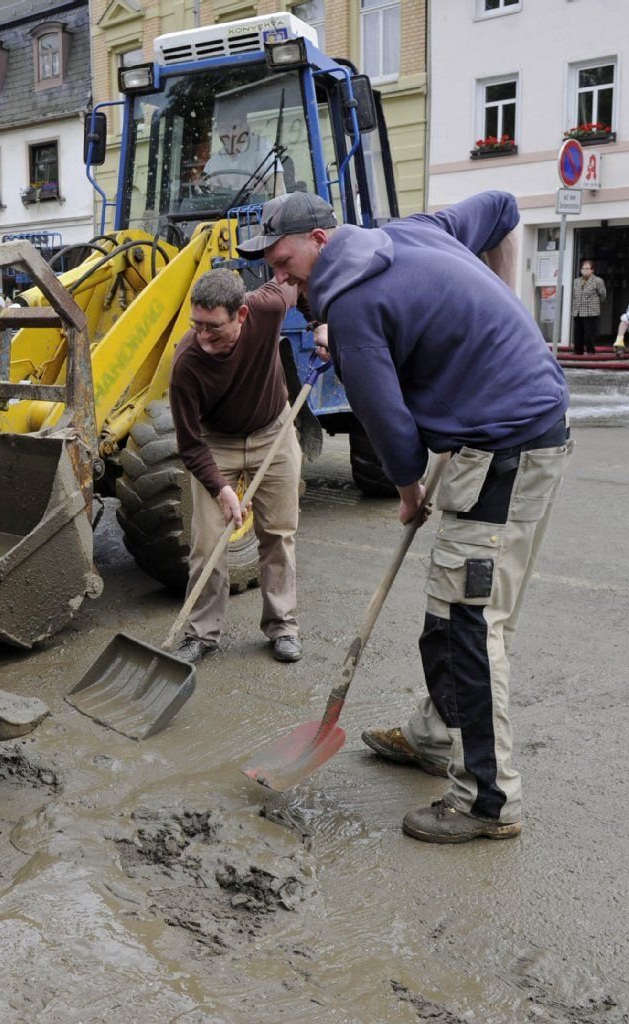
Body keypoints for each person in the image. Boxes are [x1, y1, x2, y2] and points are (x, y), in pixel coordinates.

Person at [243, 190, 570, 844]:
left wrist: (408, 492)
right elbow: (503, 209)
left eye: (284, 261)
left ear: (321, 239)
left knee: (468, 625)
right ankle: (430, 736)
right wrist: (499, 298)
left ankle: (487, 801)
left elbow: (389, 427)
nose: (280, 278)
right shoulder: (410, 232)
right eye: (271, 268)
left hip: (500, 451)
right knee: (449, 613)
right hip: (523, 431)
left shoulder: (350, 302)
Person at [167, 268, 305, 666]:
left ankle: (283, 626)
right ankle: (201, 634)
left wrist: (321, 323)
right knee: (208, 542)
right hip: (216, 444)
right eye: (197, 326)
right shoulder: (187, 363)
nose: (203, 336)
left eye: (214, 327)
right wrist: (222, 490)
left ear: (241, 315)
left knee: (278, 533)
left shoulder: (268, 306)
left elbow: (298, 279)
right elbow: (189, 444)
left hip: (273, 432)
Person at [569, 260, 607, 355]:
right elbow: (574, 295)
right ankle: (578, 350)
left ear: (592, 270)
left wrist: (595, 304)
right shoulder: (576, 281)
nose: (584, 270)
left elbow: (603, 295)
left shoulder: (598, 281)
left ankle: (590, 350)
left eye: (587, 268)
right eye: (583, 268)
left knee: (589, 333)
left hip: (591, 311)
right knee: (578, 332)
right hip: (578, 310)